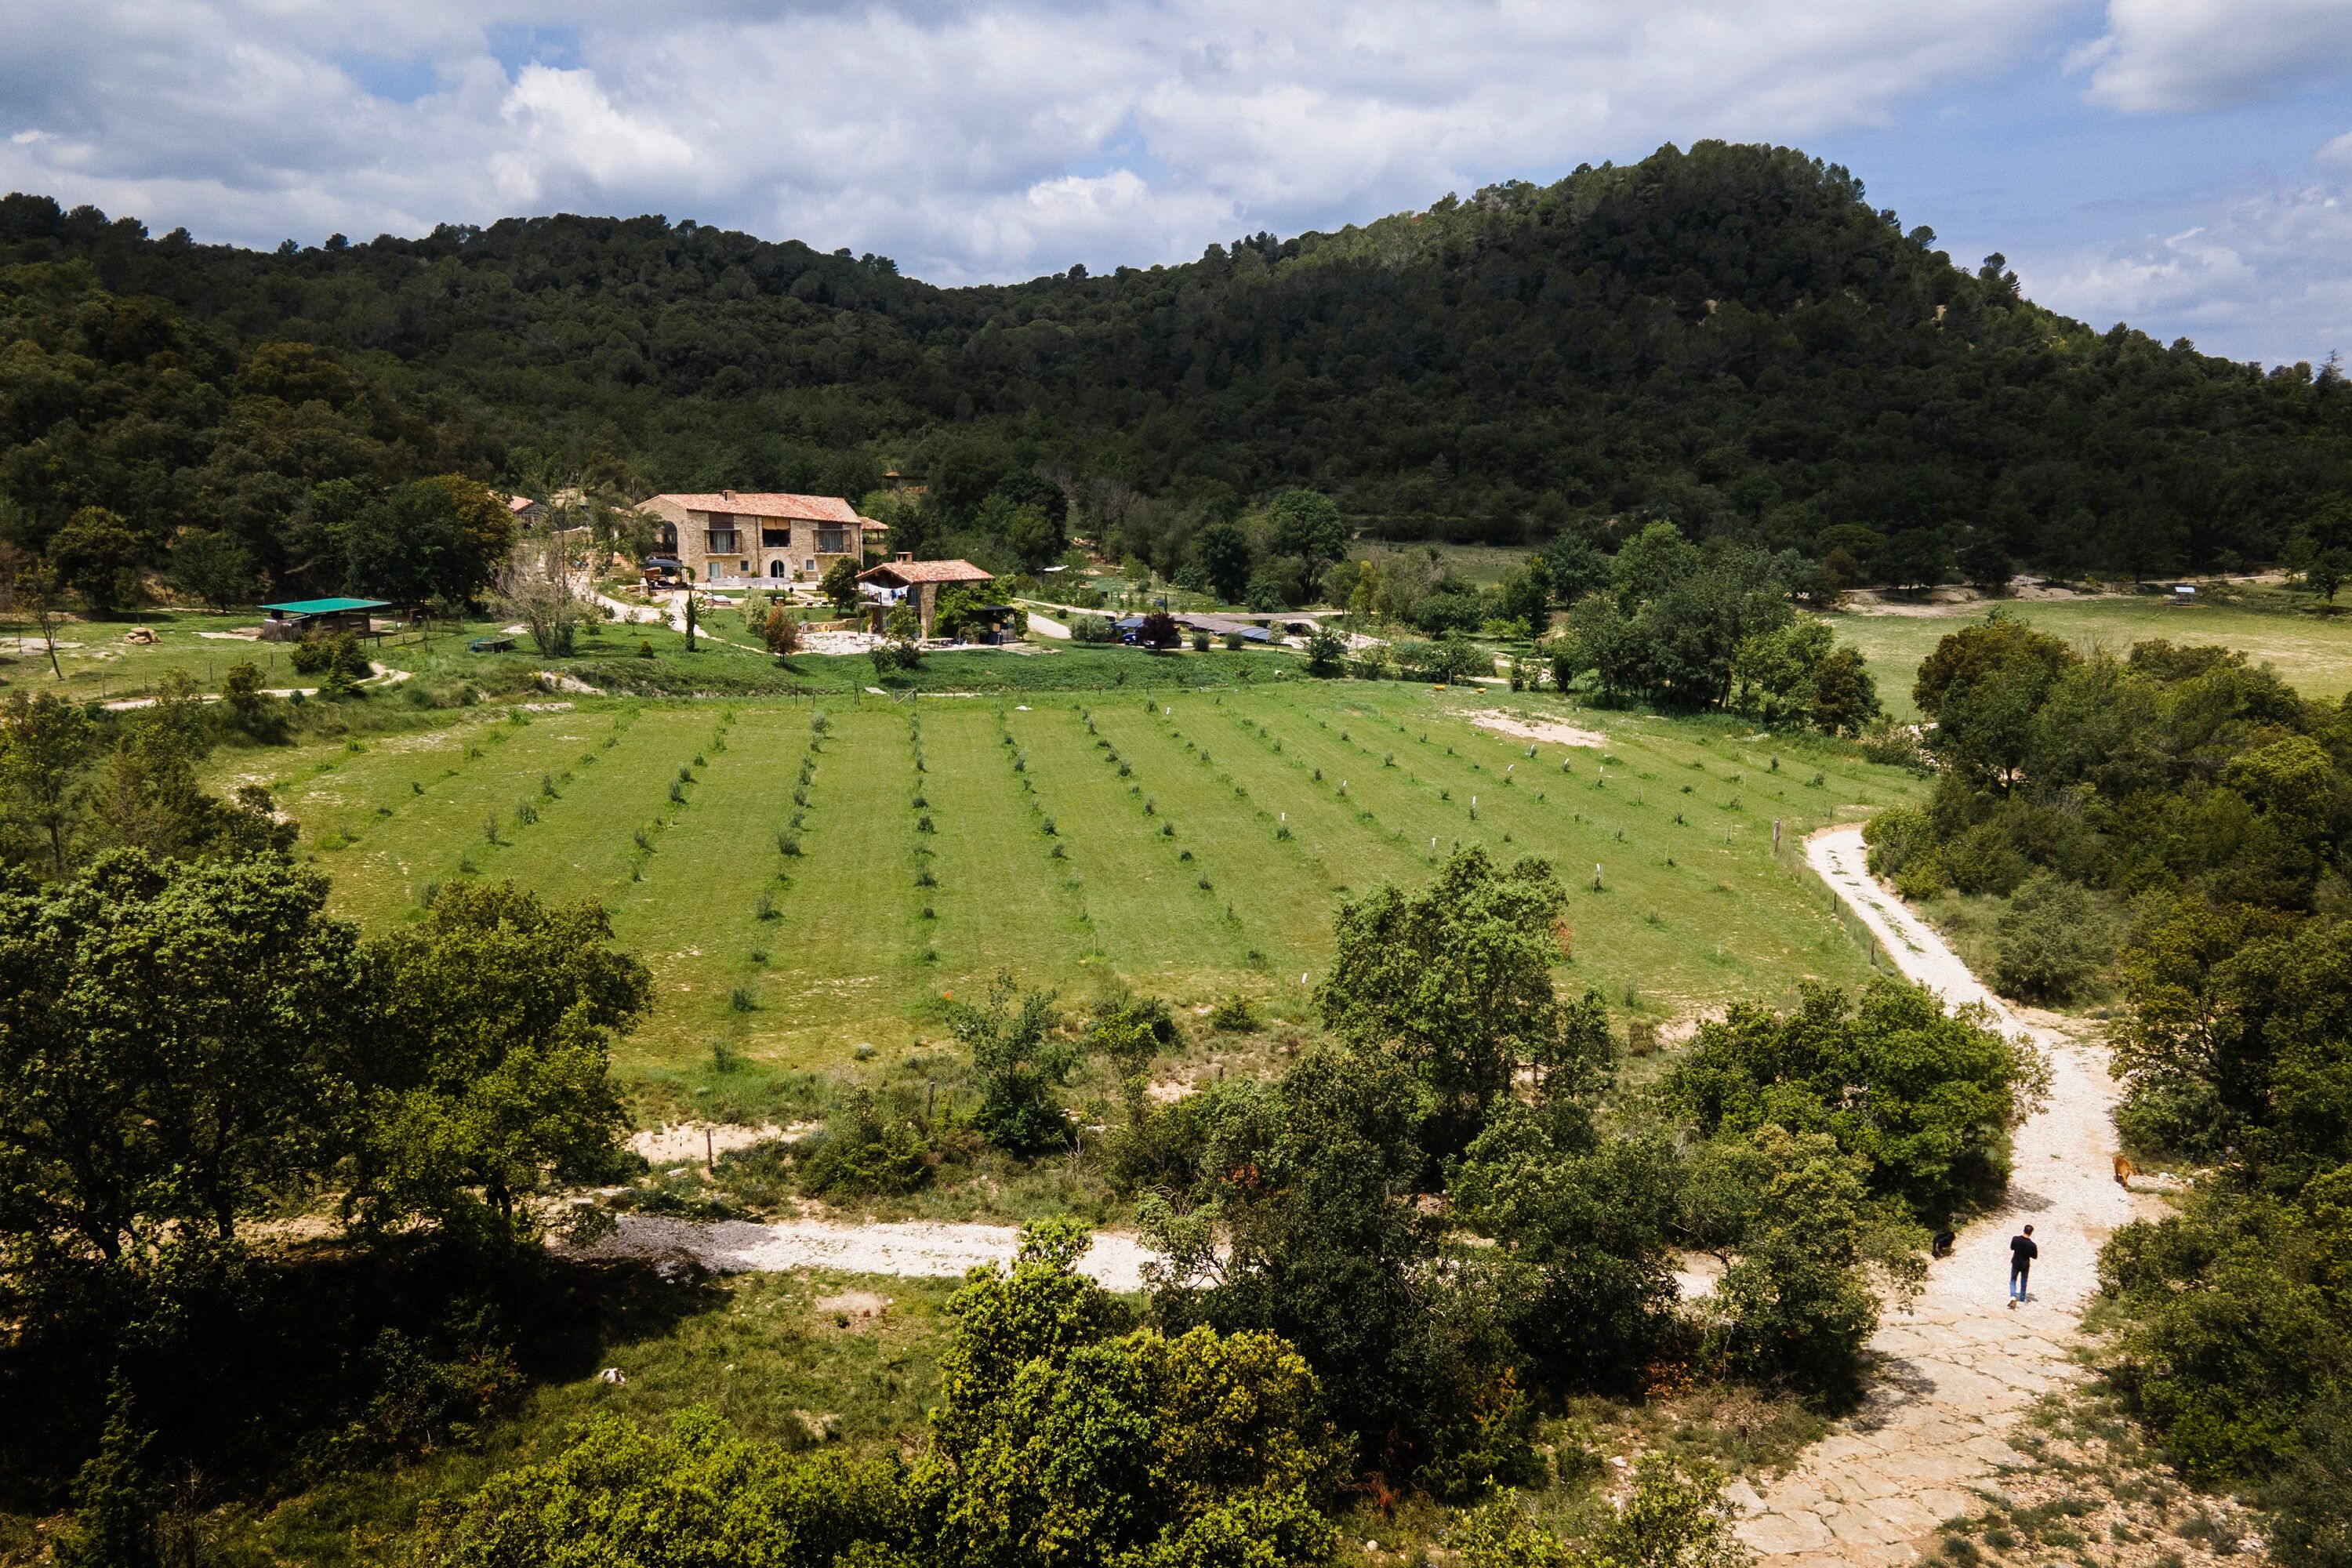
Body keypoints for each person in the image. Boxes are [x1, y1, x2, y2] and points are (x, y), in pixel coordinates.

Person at [2008, 1224, 2038, 1306]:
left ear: (2024, 1230)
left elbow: (2012, 1248)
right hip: (2025, 1265)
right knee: (2024, 1281)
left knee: (2013, 1280)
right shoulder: (2032, 1245)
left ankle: (2013, 1296)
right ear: (2031, 1233)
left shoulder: (2015, 1239)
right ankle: (2022, 1298)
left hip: (2016, 1262)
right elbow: (2035, 1256)